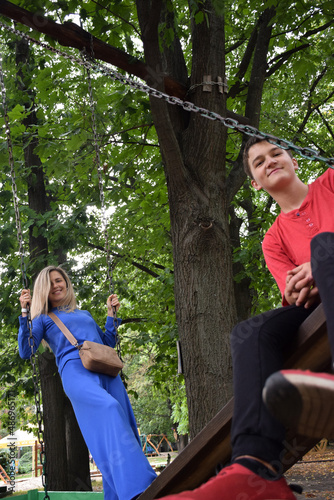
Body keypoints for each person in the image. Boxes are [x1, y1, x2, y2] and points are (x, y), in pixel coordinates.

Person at [159, 137, 334, 499]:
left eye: (276, 153)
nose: (269, 161)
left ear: (294, 161)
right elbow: (296, 294)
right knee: (249, 332)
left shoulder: (330, 183)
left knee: (324, 248)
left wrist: (319, 262)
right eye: (258, 162)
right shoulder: (273, 238)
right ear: (255, 182)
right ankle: (256, 467)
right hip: (318, 311)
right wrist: (317, 271)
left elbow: (315, 268)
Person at [18, 265, 156, 500]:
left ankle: (119, 494)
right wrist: (25, 314)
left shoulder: (85, 314)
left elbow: (106, 343)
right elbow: (26, 350)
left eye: (59, 280)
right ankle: (141, 485)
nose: (57, 285)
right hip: (75, 371)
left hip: (106, 370)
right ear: (43, 289)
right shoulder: (42, 318)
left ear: (66, 283)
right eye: (50, 283)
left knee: (125, 422)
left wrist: (111, 315)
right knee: (109, 409)